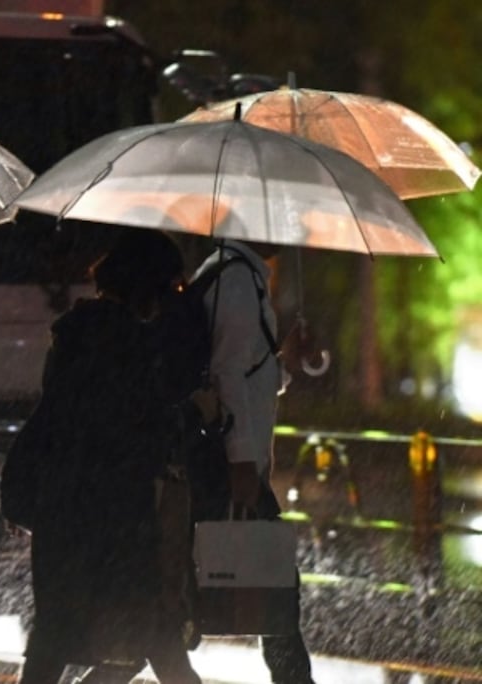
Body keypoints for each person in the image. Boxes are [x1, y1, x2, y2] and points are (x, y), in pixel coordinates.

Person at [4, 229, 205, 684]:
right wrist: (193, 409)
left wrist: (19, 488)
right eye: (171, 286)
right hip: (115, 515)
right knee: (153, 629)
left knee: (57, 631)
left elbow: (51, 418)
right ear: (149, 285)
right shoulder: (129, 342)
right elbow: (139, 422)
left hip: (64, 509)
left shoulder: (72, 334)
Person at [193, 238, 317, 684]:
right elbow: (225, 373)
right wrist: (242, 460)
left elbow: (244, 374)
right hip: (231, 469)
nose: (290, 231)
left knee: (169, 619)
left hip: (230, 465)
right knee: (279, 602)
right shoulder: (237, 282)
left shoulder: (240, 276)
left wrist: (283, 363)